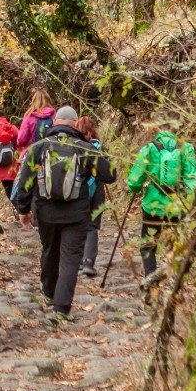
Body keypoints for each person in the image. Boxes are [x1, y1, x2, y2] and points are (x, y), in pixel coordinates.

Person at [12, 106, 113, 318]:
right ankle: (62, 308)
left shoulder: (39, 147)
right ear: (75, 124)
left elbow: (25, 181)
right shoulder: (85, 148)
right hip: (77, 214)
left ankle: (49, 293)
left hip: (45, 212)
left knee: (50, 250)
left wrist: (23, 209)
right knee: (70, 258)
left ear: (55, 122)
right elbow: (109, 175)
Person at [125, 127, 196, 281]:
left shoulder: (149, 149)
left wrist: (138, 187)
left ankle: (150, 281)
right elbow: (193, 180)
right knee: (177, 246)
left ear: (158, 129)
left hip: (153, 206)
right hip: (178, 207)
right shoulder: (186, 148)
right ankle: (176, 282)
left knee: (148, 246)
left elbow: (133, 181)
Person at [75, 115, 105, 277]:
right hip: (98, 189)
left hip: (80, 189)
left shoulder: (74, 146)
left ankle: (80, 261)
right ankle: (88, 262)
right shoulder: (99, 148)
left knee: (79, 225)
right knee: (92, 226)